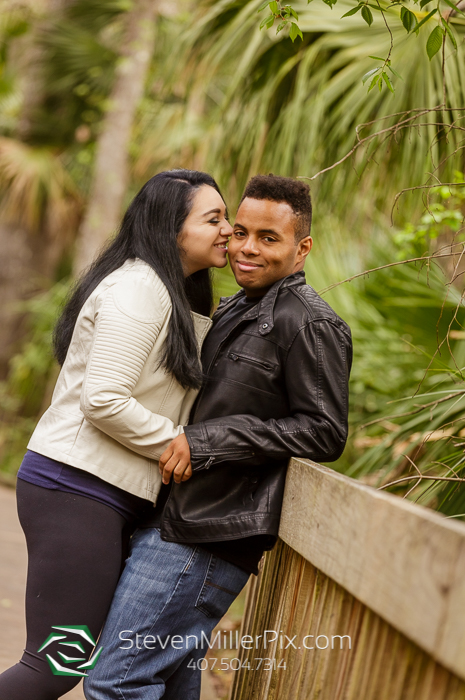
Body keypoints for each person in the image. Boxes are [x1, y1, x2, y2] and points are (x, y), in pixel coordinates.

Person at [84, 174, 352, 700]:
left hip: (208, 534)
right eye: (242, 231)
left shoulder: (310, 323)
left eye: (268, 238)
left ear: (303, 249)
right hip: (178, 517)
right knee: (163, 679)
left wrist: (208, 442)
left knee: (116, 681)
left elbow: (324, 430)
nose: (246, 248)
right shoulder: (234, 308)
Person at [0, 169, 233, 700]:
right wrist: (178, 442)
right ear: (173, 228)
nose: (228, 229)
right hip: (75, 487)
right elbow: (103, 398)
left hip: (101, 492)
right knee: (55, 665)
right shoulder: (138, 289)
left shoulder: (175, 294)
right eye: (213, 218)